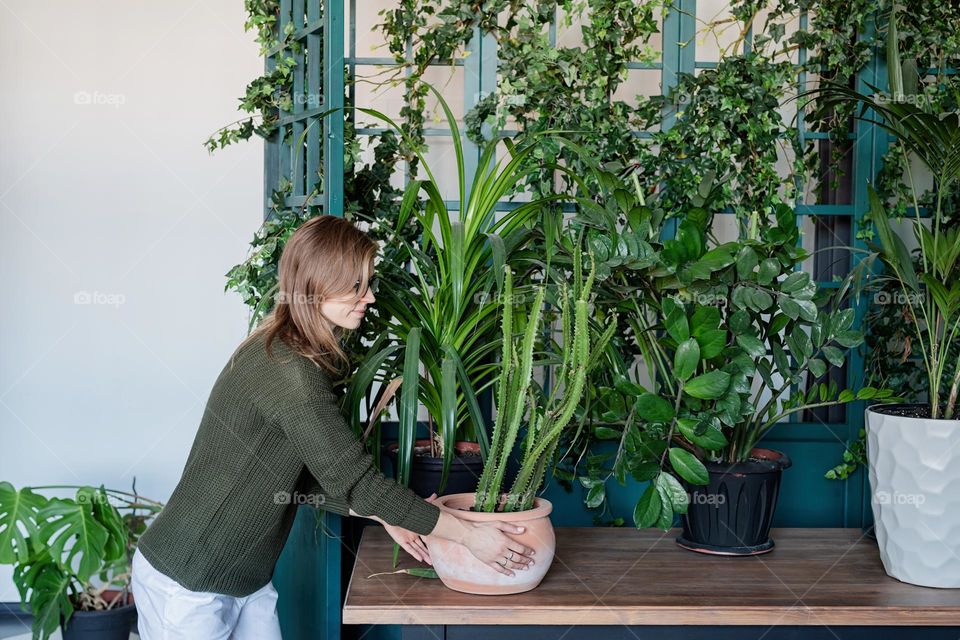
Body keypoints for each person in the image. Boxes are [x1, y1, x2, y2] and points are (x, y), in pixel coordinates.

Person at [130, 214, 535, 639]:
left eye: (369, 283)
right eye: (357, 286)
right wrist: (472, 537)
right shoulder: (289, 372)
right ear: (316, 285)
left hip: (244, 580)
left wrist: (386, 514)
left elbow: (302, 480)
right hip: (190, 582)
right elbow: (356, 482)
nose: (371, 298)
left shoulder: (288, 353)